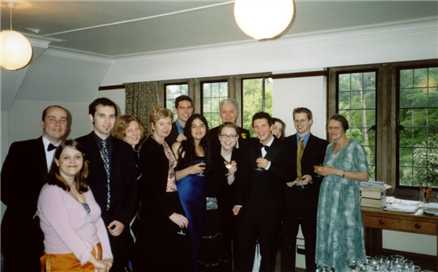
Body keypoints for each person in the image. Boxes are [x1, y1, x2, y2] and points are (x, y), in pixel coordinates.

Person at [1, 105, 70, 271]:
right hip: (22, 230)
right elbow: (4, 188)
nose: (57, 124)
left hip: (61, 235)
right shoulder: (20, 149)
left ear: (67, 126)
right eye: (52, 119)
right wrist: (36, 209)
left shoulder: (76, 153)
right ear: (42, 123)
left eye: (62, 120)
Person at [77, 98, 137, 272]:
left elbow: (132, 188)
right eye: (102, 116)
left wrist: (123, 219)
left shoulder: (125, 148)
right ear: (91, 117)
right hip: (89, 223)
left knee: (117, 266)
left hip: (118, 223)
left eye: (111, 116)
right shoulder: (78, 146)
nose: (107, 121)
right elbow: (73, 188)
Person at [38, 140, 113, 271]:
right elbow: (66, 233)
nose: (72, 161)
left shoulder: (84, 188)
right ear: (57, 162)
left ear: (83, 161)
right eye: (66, 157)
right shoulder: (51, 192)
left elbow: (97, 221)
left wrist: (107, 255)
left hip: (94, 258)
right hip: (67, 261)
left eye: (77, 157)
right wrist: (94, 261)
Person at [134, 106, 191, 271]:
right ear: (153, 125)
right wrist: (170, 214)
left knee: (173, 254)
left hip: (169, 200)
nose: (166, 127)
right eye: (161, 124)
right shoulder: (150, 148)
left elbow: (166, 173)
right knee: (161, 257)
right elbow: (150, 188)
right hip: (157, 208)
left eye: (168, 123)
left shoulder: (163, 143)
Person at [314, 114, 369, 271]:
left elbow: (364, 176)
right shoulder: (329, 147)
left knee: (345, 239)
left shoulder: (355, 147)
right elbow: (328, 171)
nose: (332, 131)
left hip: (346, 203)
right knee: (328, 235)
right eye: (330, 128)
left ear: (344, 128)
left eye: (336, 127)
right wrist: (321, 171)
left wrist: (336, 171)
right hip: (326, 200)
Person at [279, 108, 328, 272]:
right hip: (288, 201)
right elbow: (279, 170)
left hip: (311, 202)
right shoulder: (284, 143)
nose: (299, 124)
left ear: (310, 121)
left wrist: (313, 178)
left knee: (312, 243)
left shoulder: (322, 145)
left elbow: (326, 172)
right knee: (287, 243)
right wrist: (287, 181)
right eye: (296, 120)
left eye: (303, 120)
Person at [235, 112, 284, 272]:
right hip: (249, 209)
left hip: (272, 211)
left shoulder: (285, 146)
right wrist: (238, 202)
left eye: (263, 125)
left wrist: (269, 166)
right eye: (256, 126)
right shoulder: (248, 145)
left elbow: (289, 174)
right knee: (244, 251)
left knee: (268, 253)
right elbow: (242, 177)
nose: (260, 130)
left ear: (271, 127)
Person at [207, 122, 249, 271]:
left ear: (237, 138)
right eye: (224, 135)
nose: (228, 139)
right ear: (219, 138)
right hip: (217, 209)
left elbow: (244, 185)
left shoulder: (242, 156)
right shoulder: (211, 157)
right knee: (221, 249)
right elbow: (211, 188)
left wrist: (239, 203)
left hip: (238, 208)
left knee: (240, 248)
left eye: (232, 136)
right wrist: (230, 175)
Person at [173, 113, 209, 272]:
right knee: (186, 238)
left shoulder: (207, 147)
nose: (198, 129)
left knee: (197, 239)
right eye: (194, 126)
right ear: (188, 129)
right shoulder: (179, 147)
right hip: (184, 198)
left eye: (201, 125)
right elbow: (170, 177)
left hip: (200, 199)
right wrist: (190, 170)